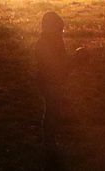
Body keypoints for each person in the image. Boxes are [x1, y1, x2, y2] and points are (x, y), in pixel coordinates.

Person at [35, 10, 72, 145]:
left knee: (53, 108)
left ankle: (50, 138)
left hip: (49, 80)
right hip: (48, 80)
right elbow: (56, 63)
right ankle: (49, 140)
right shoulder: (47, 44)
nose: (61, 33)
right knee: (52, 110)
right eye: (59, 30)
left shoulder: (50, 42)